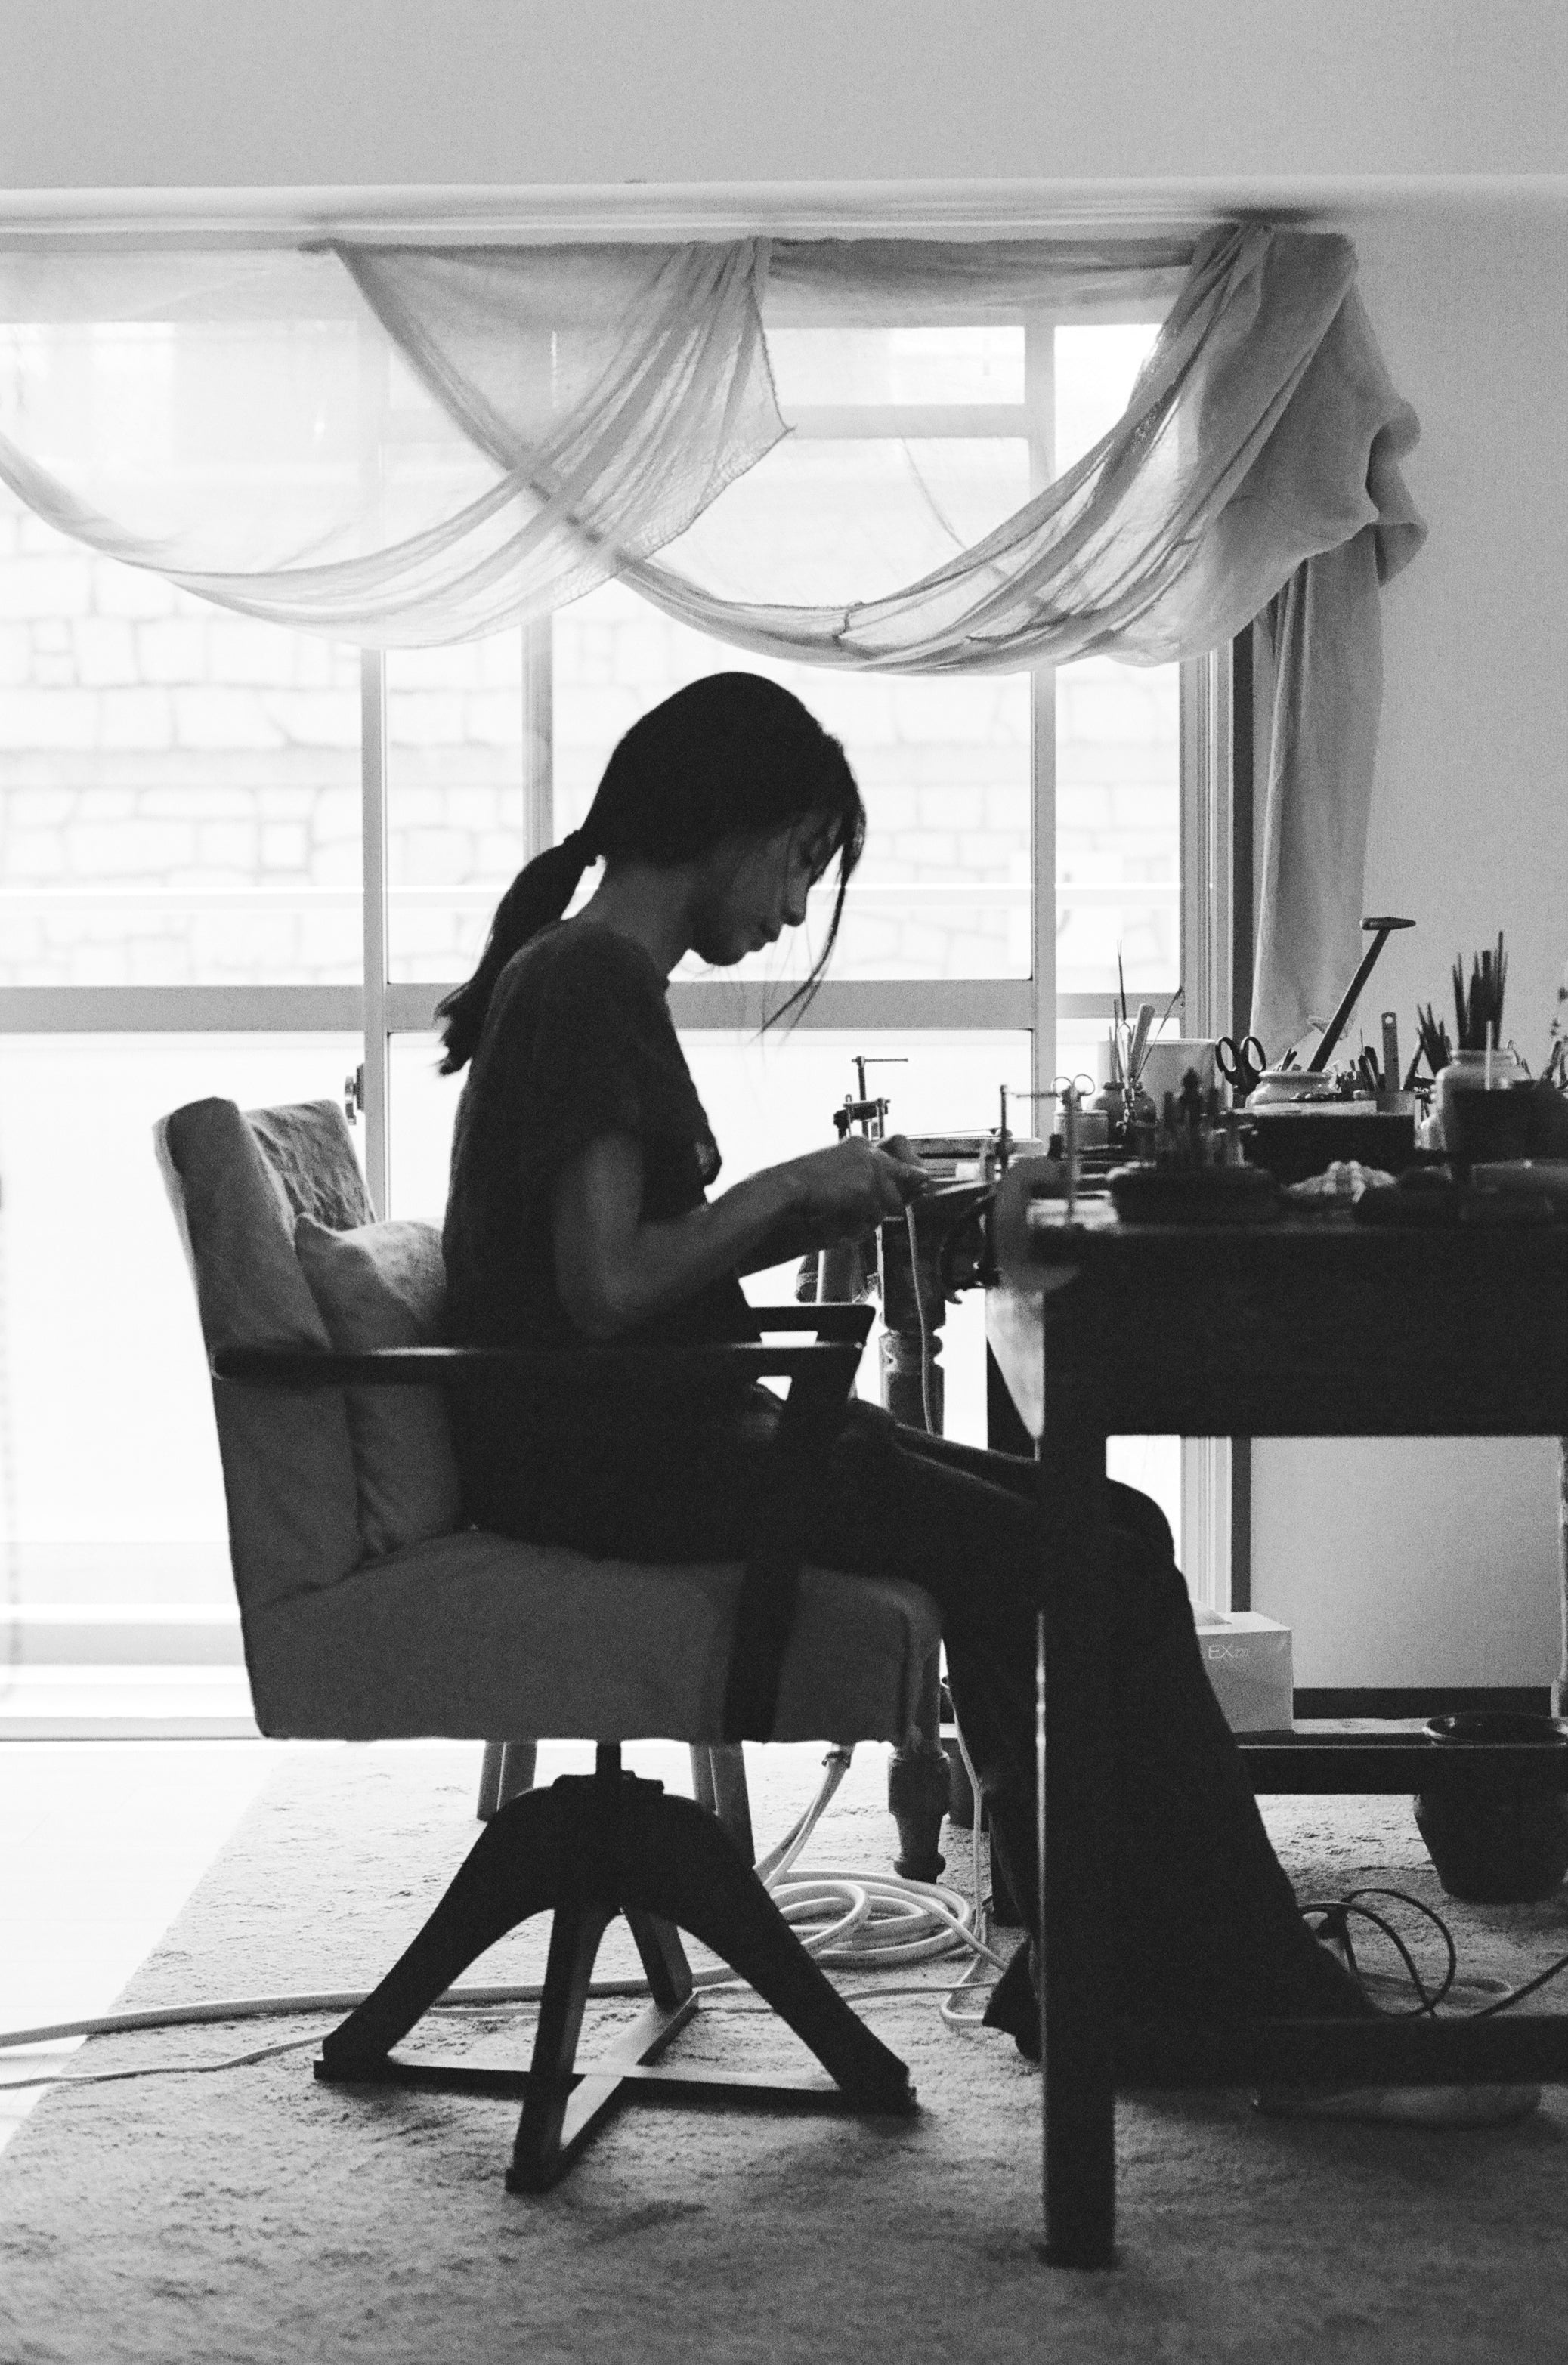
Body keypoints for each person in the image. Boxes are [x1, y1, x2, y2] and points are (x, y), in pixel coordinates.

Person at [438, 672, 1532, 2128]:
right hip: (635, 1466)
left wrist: (804, 1212)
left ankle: (1118, 1981)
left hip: (665, 1438)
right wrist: (793, 1195)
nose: (793, 908)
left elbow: (611, 1285)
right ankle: (1272, 2017)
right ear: (735, 824)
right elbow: (603, 1288)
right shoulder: (586, 984)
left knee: (1119, 1527)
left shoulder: (588, 978)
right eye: (804, 863)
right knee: (1096, 1552)